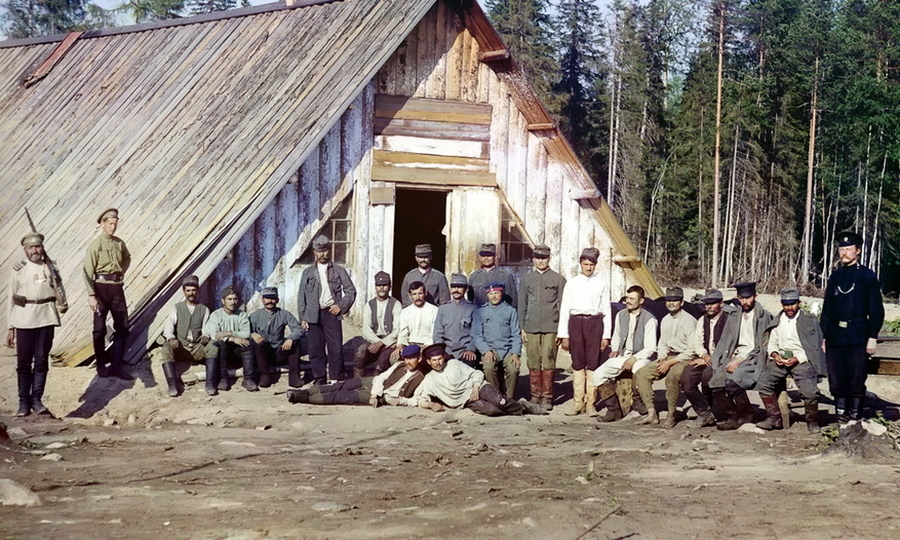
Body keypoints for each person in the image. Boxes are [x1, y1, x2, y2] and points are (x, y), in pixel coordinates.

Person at [821, 231, 884, 422]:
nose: (844, 252)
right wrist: (825, 336)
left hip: (858, 335)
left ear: (857, 251)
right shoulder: (835, 277)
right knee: (836, 378)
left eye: (849, 249)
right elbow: (827, 309)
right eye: (842, 248)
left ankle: (855, 418)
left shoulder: (867, 276)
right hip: (835, 336)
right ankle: (841, 418)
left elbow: (876, 308)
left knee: (856, 378)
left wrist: (872, 335)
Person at [7, 232, 68, 416]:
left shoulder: (50, 266)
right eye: (31, 247)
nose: (35, 250)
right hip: (24, 318)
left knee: (41, 360)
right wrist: (10, 327)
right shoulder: (19, 269)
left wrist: (62, 303)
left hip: (46, 316)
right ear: (25, 250)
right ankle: (23, 403)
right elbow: (11, 297)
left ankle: (37, 400)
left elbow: (59, 288)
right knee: (24, 362)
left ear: (42, 248)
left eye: (38, 246)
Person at [707, 282, 775, 430]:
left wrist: (740, 360)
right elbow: (725, 341)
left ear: (755, 297)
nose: (745, 302)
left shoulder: (764, 317)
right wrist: (718, 360)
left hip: (754, 358)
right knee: (715, 383)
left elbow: (762, 346)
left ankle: (747, 415)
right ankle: (732, 415)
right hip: (734, 356)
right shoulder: (734, 315)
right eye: (741, 298)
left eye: (748, 298)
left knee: (733, 382)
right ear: (737, 298)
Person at [756, 288, 826, 433]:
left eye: (792, 304)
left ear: (799, 303)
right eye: (786, 304)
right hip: (781, 359)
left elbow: (815, 347)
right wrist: (775, 355)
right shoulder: (777, 320)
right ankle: (774, 417)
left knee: (810, 392)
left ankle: (812, 421)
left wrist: (798, 358)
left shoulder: (809, 320)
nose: (789, 307)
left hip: (802, 360)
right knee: (763, 384)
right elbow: (772, 341)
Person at [412, 343, 544, 416]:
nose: (438, 363)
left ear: (444, 358)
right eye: (434, 360)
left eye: (440, 359)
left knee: (500, 401)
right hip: (466, 401)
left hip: (479, 387)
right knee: (492, 411)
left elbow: (477, 374)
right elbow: (420, 399)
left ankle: (525, 408)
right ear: (428, 362)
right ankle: (519, 406)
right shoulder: (429, 379)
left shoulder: (454, 364)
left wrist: (475, 388)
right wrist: (430, 405)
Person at [557, 247, 611, 416]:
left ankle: (590, 403)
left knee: (593, 363)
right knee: (578, 362)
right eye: (586, 264)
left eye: (592, 265)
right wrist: (564, 334)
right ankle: (578, 402)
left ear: (596, 265)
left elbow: (606, 310)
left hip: (594, 324)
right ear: (580, 263)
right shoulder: (572, 283)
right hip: (576, 323)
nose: (588, 268)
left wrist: (606, 335)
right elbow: (565, 309)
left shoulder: (601, 283)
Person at [632, 287, 697, 427]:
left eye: (675, 300)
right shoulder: (666, 319)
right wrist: (662, 358)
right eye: (668, 300)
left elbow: (692, 350)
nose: (671, 303)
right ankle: (651, 413)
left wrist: (671, 362)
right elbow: (662, 344)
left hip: (685, 358)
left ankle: (671, 414)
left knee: (672, 377)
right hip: (668, 356)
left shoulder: (689, 321)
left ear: (682, 302)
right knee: (641, 373)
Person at [593, 285, 658, 422]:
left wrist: (634, 358)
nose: (628, 301)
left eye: (632, 298)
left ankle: (638, 402)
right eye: (627, 297)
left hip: (642, 356)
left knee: (639, 370)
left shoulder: (650, 319)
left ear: (641, 301)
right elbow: (616, 335)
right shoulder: (620, 315)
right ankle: (614, 410)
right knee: (598, 374)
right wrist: (615, 349)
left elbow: (650, 348)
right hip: (623, 355)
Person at [297, 235, 356, 384]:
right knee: (316, 349)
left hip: (331, 313)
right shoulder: (308, 272)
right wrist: (302, 317)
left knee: (335, 347)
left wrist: (341, 306)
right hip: (312, 314)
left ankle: (336, 377)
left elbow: (350, 290)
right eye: (319, 251)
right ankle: (319, 377)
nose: (322, 254)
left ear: (329, 250)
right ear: (314, 252)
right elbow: (301, 295)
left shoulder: (338, 270)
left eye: (325, 250)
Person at [286, 344, 426, 406]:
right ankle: (304, 392)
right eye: (406, 358)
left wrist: (401, 401)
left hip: (384, 397)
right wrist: (374, 393)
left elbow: (417, 401)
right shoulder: (399, 365)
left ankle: (303, 398)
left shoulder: (421, 378)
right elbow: (381, 377)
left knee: (342, 396)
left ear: (419, 359)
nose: (408, 361)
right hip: (375, 384)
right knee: (342, 385)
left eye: (412, 358)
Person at [83, 208, 132, 380]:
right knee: (99, 329)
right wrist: (91, 295)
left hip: (116, 288)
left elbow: (127, 258)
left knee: (123, 326)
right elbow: (87, 272)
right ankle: (101, 365)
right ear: (103, 224)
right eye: (110, 224)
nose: (113, 227)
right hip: (100, 288)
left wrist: (120, 272)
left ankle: (116, 365)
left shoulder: (119, 243)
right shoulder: (95, 245)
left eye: (115, 224)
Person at [518, 244, 566, 409]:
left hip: (551, 326)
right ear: (533, 259)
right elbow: (521, 304)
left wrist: (562, 330)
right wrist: (522, 327)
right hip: (531, 326)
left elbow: (563, 306)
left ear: (549, 259)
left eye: (544, 258)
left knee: (548, 359)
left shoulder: (558, 279)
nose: (540, 261)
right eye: (537, 258)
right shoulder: (527, 279)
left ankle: (547, 398)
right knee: (533, 360)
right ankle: (535, 397)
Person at [680, 289, 730, 428]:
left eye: (713, 303)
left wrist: (713, 358)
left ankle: (726, 411)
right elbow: (698, 341)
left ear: (721, 303)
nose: (708, 306)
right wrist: (703, 354)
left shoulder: (728, 320)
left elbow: (731, 345)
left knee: (708, 376)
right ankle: (705, 413)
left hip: (724, 359)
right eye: (706, 303)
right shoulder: (703, 320)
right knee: (687, 378)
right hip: (705, 358)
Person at [159, 275, 210, 397]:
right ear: (184, 291)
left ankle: (211, 382)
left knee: (213, 346)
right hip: (181, 348)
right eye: (188, 290)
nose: (191, 293)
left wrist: (206, 335)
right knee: (166, 347)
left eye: (193, 290)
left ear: (198, 290)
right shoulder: (177, 308)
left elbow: (207, 328)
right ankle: (172, 384)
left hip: (197, 349)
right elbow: (168, 327)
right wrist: (171, 338)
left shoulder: (204, 309)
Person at [471, 282, 522, 400]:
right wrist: (486, 350)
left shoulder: (510, 311)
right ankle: (496, 395)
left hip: (508, 349)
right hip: (491, 349)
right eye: (490, 294)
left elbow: (515, 333)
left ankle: (510, 397)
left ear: (501, 293)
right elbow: (477, 334)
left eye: (496, 293)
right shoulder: (480, 312)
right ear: (487, 295)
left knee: (513, 369)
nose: (493, 296)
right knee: (488, 368)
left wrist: (515, 352)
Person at [203, 286, 253, 395]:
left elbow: (246, 333)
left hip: (237, 352)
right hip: (222, 352)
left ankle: (248, 379)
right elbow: (214, 334)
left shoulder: (242, 315)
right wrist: (231, 338)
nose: (232, 302)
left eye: (235, 299)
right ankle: (223, 378)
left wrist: (229, 333)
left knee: (248, 344)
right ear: (223, 301)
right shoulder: (216, 315)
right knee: (220, 344)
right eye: (229, 299)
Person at [249, 286, 303, 388]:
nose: (270, 301)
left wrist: (290, 338)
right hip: (262, 354)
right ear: (262, 300)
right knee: (256, 343)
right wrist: (253, 334)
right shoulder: (255, 315)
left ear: (277, 300)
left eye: (273, 298)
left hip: (279, 352)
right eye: (267, 298)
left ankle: (294, 378)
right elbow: (245, 331)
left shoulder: (284, 314)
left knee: (296, 342)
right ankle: (264, 376)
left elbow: (298, 329)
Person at [354, 271, 402, 378]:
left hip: (389, 343)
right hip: (373, 341)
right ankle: (358, 383)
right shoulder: (369, 305)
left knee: (383, 360)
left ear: (390, 287)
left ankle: (377, 384)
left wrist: (382, 343)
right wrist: (376, 342)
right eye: (379, 286)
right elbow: (366, 329)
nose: (381, 288)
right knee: (360, 352)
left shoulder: (396, 305)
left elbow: (397, 330)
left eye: (384, 285)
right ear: (375, 287)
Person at [432, 273, 478, 365]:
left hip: (465, 351)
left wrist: (471, 349)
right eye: (453, 287)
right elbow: (437, 333)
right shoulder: (443, 309)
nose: (456, 290)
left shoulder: (473, 309)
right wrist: (440, 351)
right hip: (447, 351)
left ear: (466, 289)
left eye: (460, 287)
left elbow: (476, 334)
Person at [391, 281, 439, 362]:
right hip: (410, 345)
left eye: (420, 293)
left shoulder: (434, 310)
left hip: (427, 346)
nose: (417, 297)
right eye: (414, 294)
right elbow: (403, 333)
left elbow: (434, 334)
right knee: (394, 359)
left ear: (425, 293)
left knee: (421, 361)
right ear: (410, 296)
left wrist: (425, 348)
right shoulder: (405, 312)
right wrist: (400, 345)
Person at [467, 243, 517, 308]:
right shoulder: (474, 276)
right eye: (483, 255)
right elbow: (470, 300)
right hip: (479, 314)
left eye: (489, 255)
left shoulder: (505, 275)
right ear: (479, 257)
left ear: (495, 257)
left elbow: (512, 300)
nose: (486, 258)